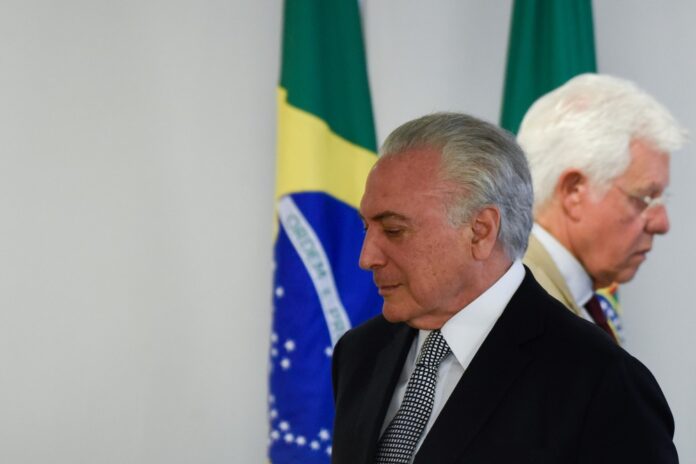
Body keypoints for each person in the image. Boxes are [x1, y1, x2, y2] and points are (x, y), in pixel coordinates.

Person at [331, 112, 677, 463]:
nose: (366, 257)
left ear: (480, 231)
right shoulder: (359, 353)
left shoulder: (602, 381)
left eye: (393, 230)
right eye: (366, 228)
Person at [518, 74, 686, 342]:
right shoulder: (525, 308)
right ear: (574, 192)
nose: (662, 223)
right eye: (645, 197)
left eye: (661, 199)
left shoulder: (564, 300)